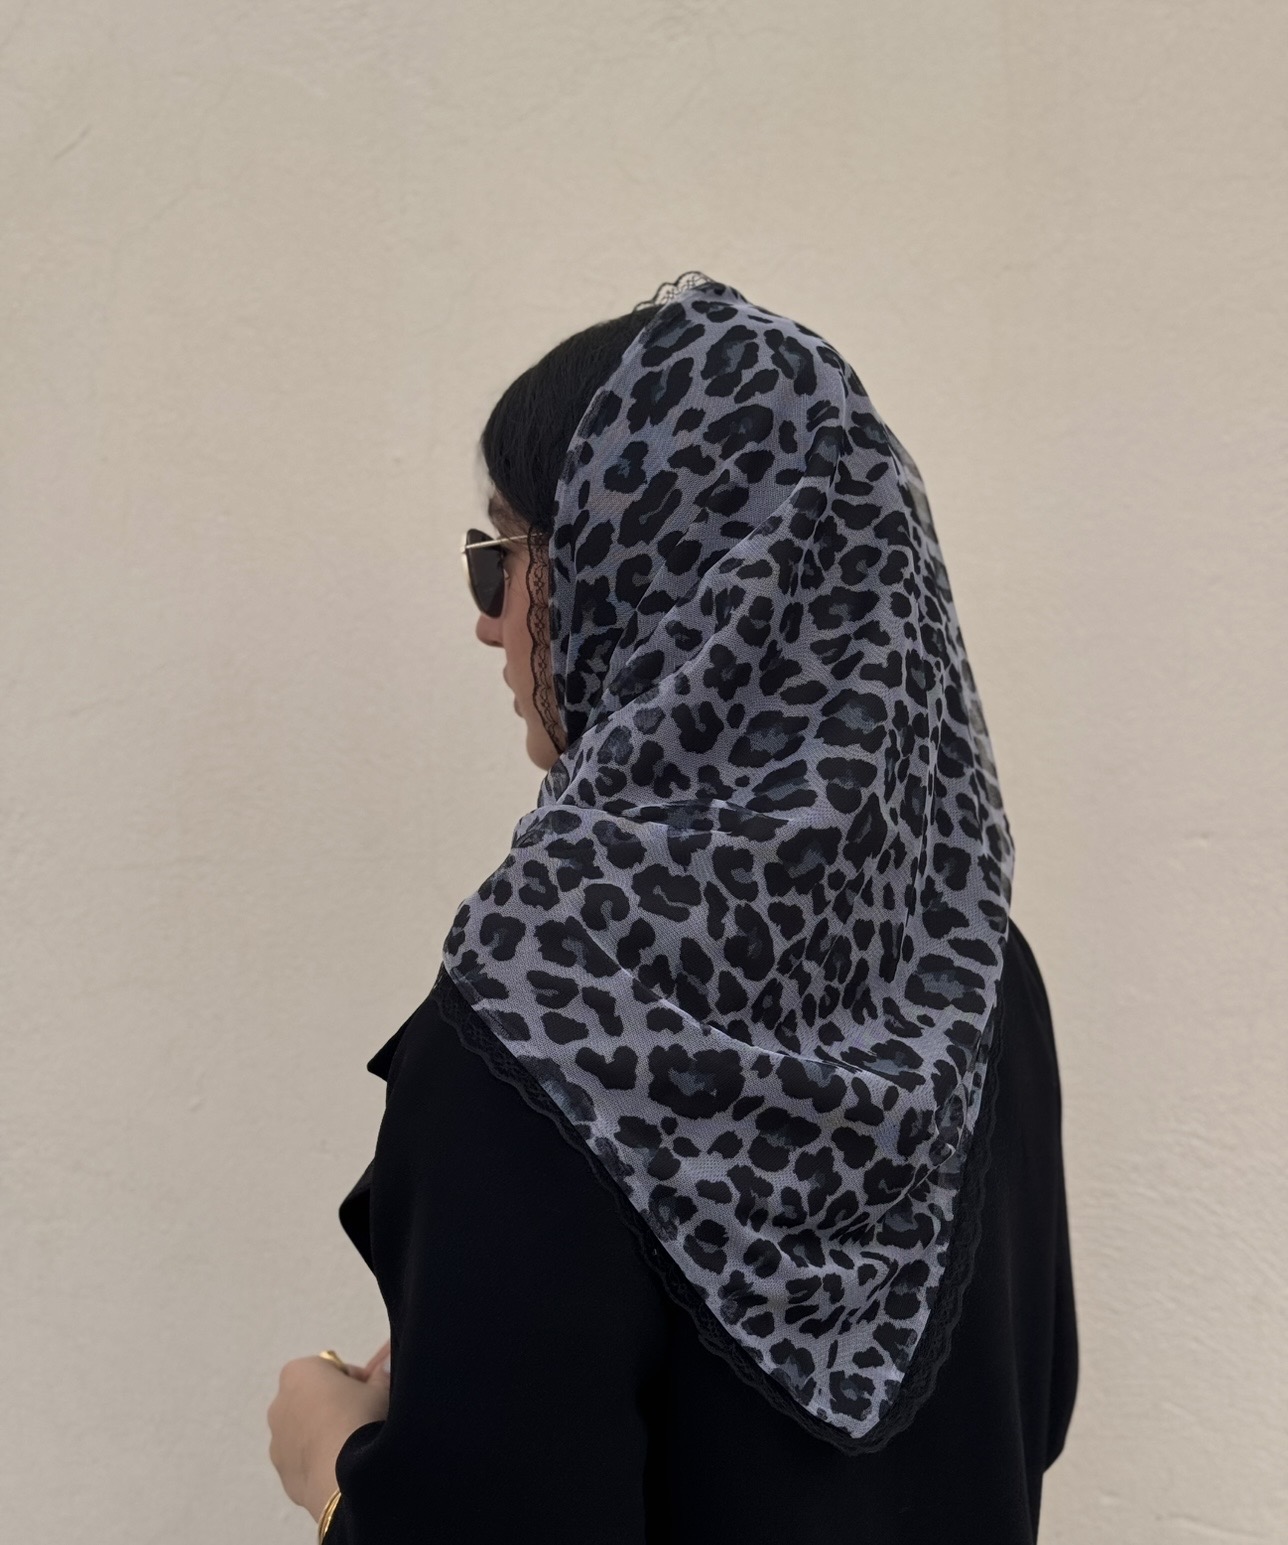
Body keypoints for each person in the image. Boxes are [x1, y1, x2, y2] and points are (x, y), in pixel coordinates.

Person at [267, 273, 1077, 1543]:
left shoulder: (547, 1022)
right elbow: (1033, 1404)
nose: (488, 626)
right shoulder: (975, 972)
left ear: (643, 578)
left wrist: (333, 1459)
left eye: (501, 560)